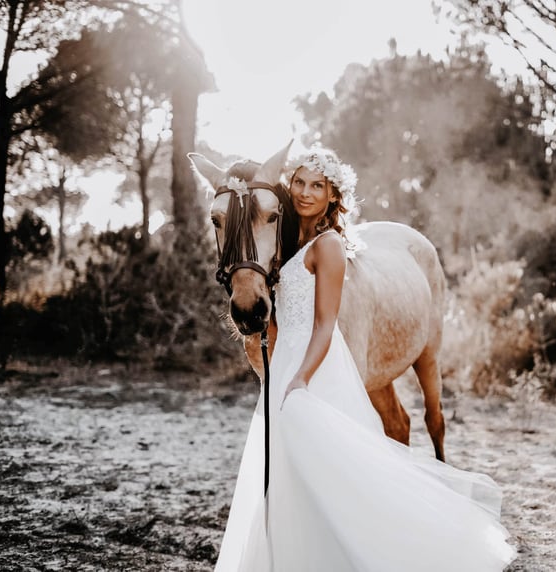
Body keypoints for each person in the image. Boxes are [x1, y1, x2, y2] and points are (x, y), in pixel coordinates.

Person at [214, 145, 517, 571]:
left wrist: (301, 377)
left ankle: (421, 499)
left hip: (314, 363)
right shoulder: (279, 252)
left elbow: (325, 325)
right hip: (291, 360)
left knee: (343, 456)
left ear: (332, 195)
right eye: (299, 183)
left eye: (316, 186)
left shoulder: (329, 247)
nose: (304, 193)